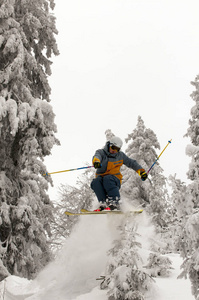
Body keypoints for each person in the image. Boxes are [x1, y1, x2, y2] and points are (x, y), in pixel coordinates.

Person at [91, 136, 147, 211]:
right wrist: (96, 162)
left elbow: (131, 163)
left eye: (117, 149)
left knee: (108, 178)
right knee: (95, 182)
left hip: (114, 179)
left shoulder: (120, 156)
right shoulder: (101, 152)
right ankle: (103, 203)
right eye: (113, 147)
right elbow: (97, 156)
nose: (114, 150)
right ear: (109, 145)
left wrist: (141, 172)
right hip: (101, 179)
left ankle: (115, 202)